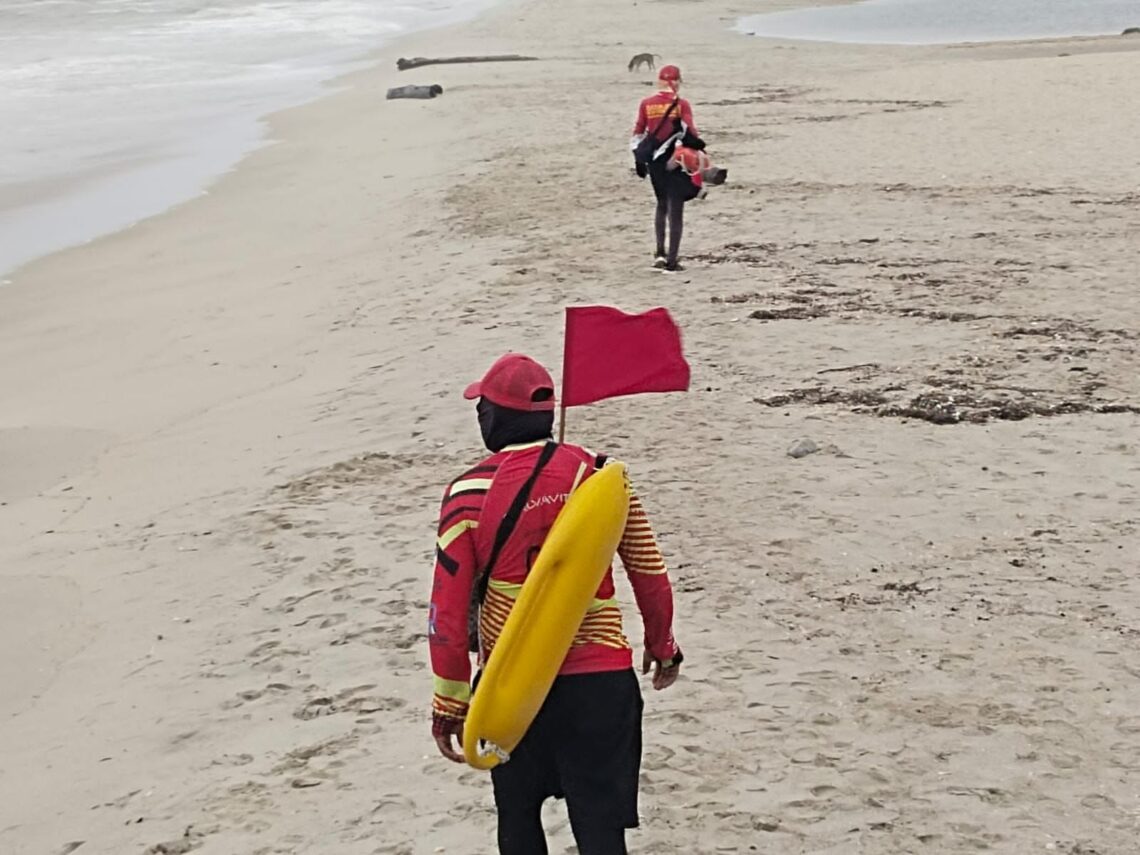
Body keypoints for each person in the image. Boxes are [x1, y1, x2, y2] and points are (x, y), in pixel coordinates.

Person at [428, 352, 684, 855]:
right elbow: (648, 569)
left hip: (512, 686)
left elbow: (447, 612)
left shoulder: (465, 493)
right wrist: (663, 643)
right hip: (600, 685)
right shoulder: (602, 478)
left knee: (519, 820)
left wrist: (449, 703)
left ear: (493, 418)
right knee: (600, 829)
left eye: (482, 408)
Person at [631, 63, 701, 272]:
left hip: (654, 162)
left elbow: (638, 132)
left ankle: (659, 253)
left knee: (661, 204)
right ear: (676, 81)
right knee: (676, 209)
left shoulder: (646, 104)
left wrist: (639, 159)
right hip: (676, 162)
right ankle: (672, 259)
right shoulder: (682, 105)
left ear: (659, 81)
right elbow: (691, 133)